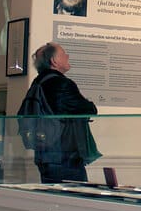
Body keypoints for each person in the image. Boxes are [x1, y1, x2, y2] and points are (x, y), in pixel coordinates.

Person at [18, 42, 98, 183]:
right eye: (63, 54)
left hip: (45, 155)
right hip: (66, 156)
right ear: (54, 61)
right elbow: (89, 109)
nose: (67, 56)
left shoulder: (38, 83)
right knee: (74, 201)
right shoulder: (62, 84)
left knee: (53, 199)